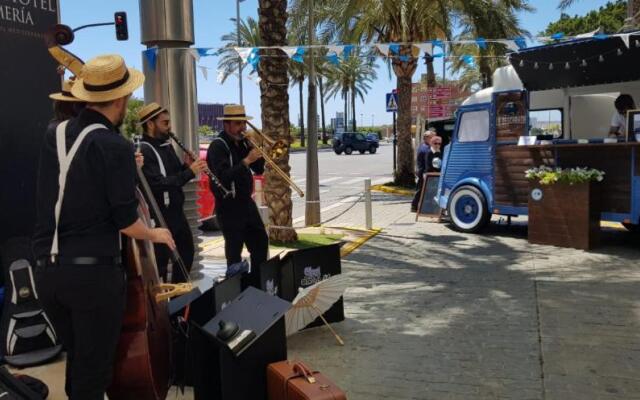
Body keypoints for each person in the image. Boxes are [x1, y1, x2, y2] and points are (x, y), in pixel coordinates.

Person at [32, 54, 175, 400]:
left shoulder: (57, 133)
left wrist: (124, 165)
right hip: (93, 280)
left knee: (79, 362)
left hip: (48, 274)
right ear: (122, 98)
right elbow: (126, 222)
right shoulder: (115, 146)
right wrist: (155, 233)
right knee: (94, 377)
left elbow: (80, 182)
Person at [138, 102, 207, 282]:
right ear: (150, 124)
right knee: (161, 263)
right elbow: (158, 184)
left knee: (186, 256)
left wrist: (186, 165)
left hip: (177, 214)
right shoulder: (145, 150)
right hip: (160, 216)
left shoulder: (166, 146)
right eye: (165, 123)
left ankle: (179, 300)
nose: (169, 127)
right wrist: (191, 171)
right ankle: (163, 305)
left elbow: (176, 175)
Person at [206, 104, 268, 275]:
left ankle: (258, 284)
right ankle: (235, 292)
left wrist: (256, 150)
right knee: (234, 252)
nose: (243, 128)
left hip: (246, 203)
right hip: (229, 206)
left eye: (244, 123)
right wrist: (246, 161)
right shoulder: (218, 146)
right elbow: (223, 177)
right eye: (238, 123)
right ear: (227, 125)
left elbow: (259, 170)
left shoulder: (242, 143)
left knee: (260, 244)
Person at [411, 130, 435, 212]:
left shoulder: (427, 147)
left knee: (422, 189)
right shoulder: (425, 148)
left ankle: (417, 206)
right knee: (420, 189)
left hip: (424, 172)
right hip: (423, 172)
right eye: (432, 137)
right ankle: (414, 206)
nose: (434, 139)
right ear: (427, 138)